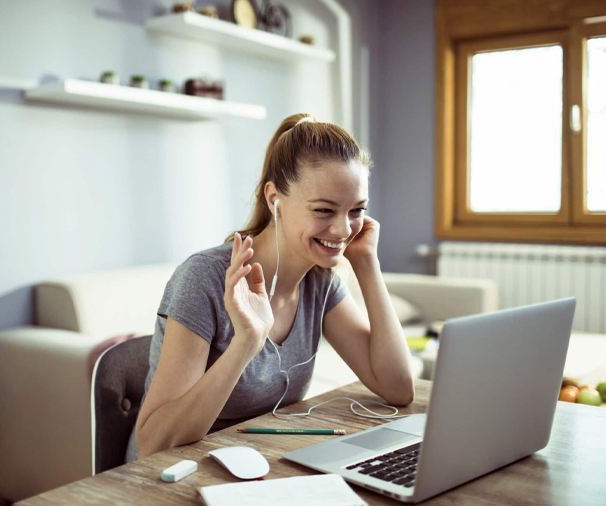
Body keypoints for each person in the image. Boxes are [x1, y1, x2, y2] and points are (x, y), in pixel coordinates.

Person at [126, 113, 414, 462]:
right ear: (274, 198)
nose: (342, 230)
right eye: (324, 210)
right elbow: (153, 443)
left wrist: (367, 264)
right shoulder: (204, 279)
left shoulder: (319, 283)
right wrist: (246, 342)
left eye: (357, 210)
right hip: (172, 477)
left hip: (258, 466)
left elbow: (398, 388)